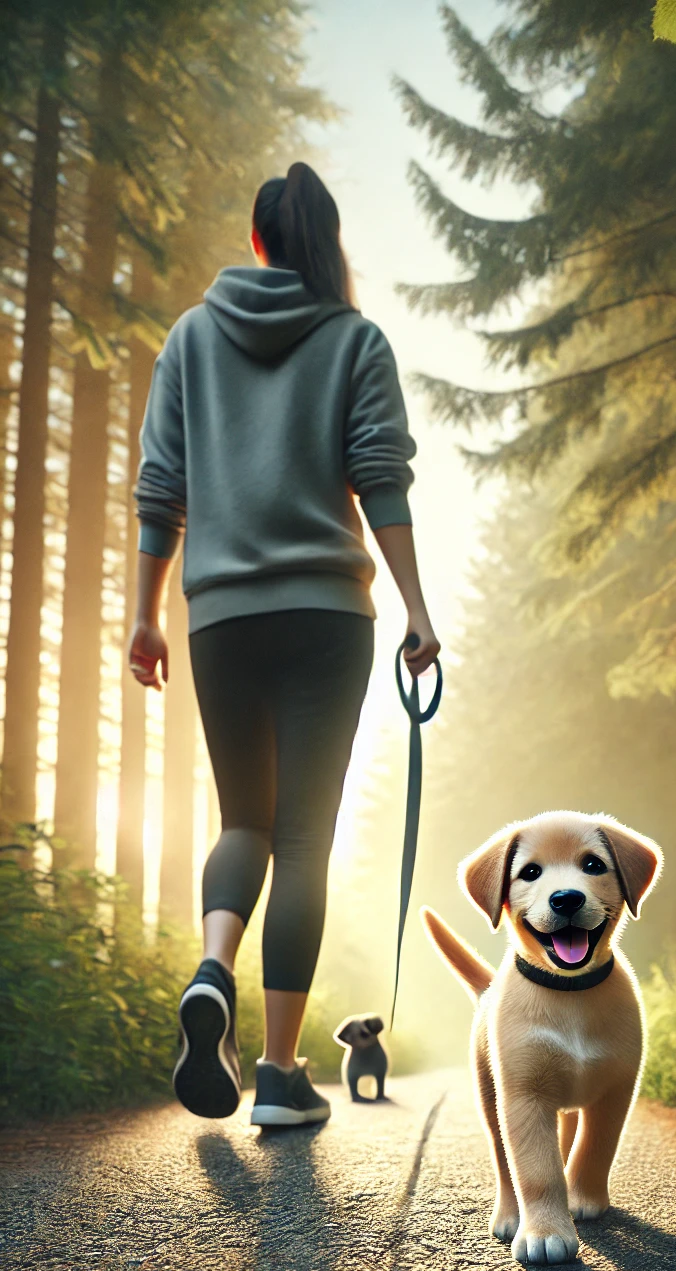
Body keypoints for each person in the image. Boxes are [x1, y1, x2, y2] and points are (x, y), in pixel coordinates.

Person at [128, 162, 439, 1128]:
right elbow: (380, 479)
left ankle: (213, 970)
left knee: (243, 823)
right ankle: (276, 1074)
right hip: (326, 616)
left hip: (221, 616)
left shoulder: (189, 336)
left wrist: (144, 613)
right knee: (304, 837)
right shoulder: (355, 340)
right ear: (323, 244)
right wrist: (418, 609)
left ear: (258, 241)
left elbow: (159, 487)